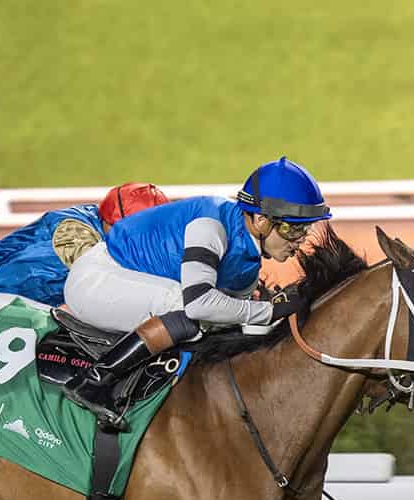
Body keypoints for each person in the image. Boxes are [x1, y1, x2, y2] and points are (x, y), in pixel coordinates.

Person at [61, 157, 331, 427]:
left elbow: (244, 325)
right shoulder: (210, 225)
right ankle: (92, 381)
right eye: (292, 228)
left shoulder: (248, 266)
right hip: (95, 281)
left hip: (130, 280)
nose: (300, 239)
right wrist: (270, 310)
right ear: (260, 220)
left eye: (305, 228)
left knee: (217, 321)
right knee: (186, 310)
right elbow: (199, 305)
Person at [0, 182, 169, 322]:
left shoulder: (103, 225)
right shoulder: (73, 231)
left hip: (1, 304)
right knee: (61, 328)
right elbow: (113, 286)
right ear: (112, 221)